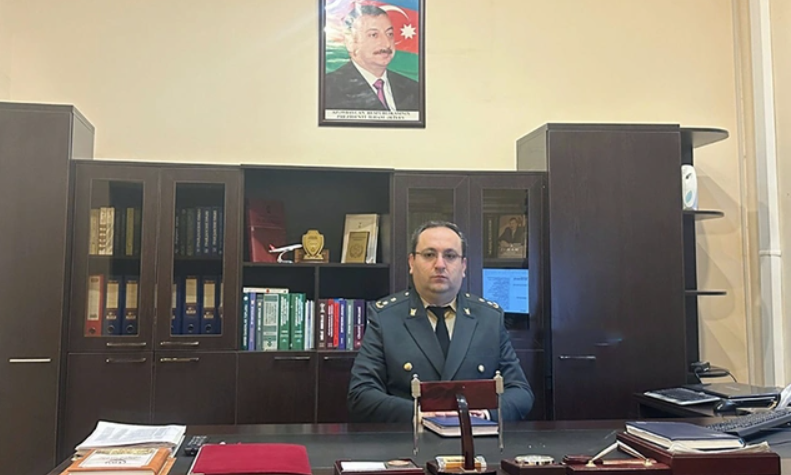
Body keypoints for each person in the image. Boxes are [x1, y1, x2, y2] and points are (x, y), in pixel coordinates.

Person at [348, 221, 534, 423]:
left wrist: (485, 414)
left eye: (450, 256)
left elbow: (520, 391)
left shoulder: (489, 318)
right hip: (409, 437)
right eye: (429, 255)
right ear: (411, 263)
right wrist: (418, 414)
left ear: (463, 266)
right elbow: (361, 393)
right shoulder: (385, 317)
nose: (439, 264)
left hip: (474, 437)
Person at [324, 4, 420, 111]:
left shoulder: (414, 88)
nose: (387, 43)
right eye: (374, 35)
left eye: (389, 34)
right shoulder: (328, 88)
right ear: (351, 43)